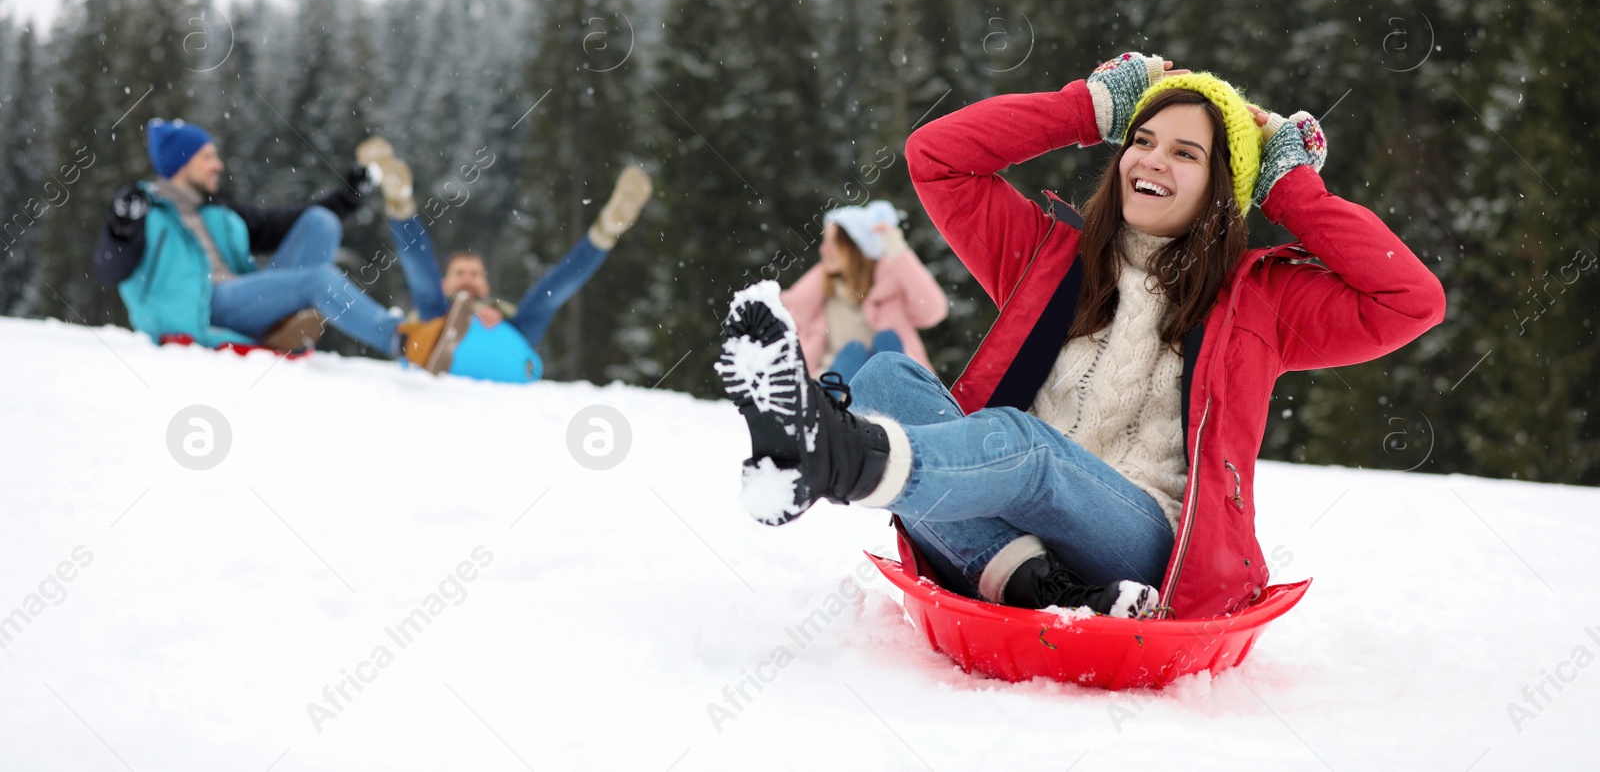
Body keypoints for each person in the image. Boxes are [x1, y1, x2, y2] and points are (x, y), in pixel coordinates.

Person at [716, 53, 1445, 620]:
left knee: (1025, 445)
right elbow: (935, 157)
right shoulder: (1049, 257)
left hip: (1143, 535)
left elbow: (1410, 300)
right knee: (881, 381)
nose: (1152, 159)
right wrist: (1088, 106)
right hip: (1020, 500)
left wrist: (1287, 186)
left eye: (1186, 153)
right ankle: (1035, 581)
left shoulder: (1261, 302)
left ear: (1224, 186)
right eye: (1142, 138)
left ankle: (835, 458)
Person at [93, 119, 411, 356]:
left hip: (243, 299)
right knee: (316, 280)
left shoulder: (219, 211)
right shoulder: (145, 211)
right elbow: (111, 269)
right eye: (207, 157)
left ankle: (281, 324)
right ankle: (401, 340)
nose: (218, 165)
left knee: (321, 222)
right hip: (204, 307)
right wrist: (121, 226)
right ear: (182, 162)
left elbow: (281, 226)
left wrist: (349, 196)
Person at [357, 138, 653, 381]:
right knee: (425, 289)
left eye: (474, 274)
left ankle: (607, 229)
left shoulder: (503, 317)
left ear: (486, 287)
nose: (468, 279)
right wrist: (460, 314)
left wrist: (494, 321)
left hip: (509, 349)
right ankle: (398, 198)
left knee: (545, 297)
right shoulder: (434, 306)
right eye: (460, 273)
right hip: (435, 338)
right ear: (447, 284)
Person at [779, 200, 948, 384]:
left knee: (888, 341)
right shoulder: (816, 298)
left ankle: (900, 396)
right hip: (834, 396)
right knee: (853, 352)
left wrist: (897, 251)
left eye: (833, 242)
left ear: (856, 245)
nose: (824, 249)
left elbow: (933, 310)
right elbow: (778, 322)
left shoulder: (890, 291)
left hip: (890, 390)